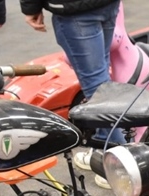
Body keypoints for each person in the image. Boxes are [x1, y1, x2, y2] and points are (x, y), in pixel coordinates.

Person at [20, 0, 124, 145]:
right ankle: (105, 139)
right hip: (106, 4)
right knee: (102, 76)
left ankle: (122, 148)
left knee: (96, 86)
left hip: (74, 10)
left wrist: (31, 7)